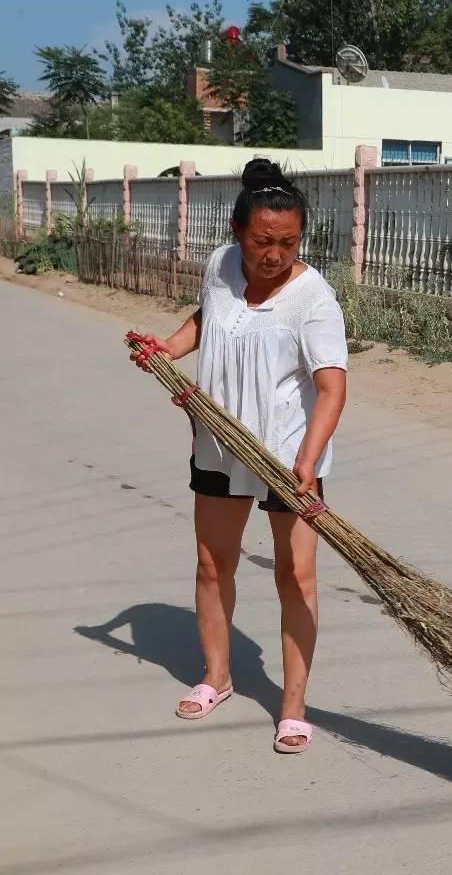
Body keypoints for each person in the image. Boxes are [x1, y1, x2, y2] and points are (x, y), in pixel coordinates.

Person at [130, 159, 349, 753]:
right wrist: (168, 348)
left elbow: (332, 388)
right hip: (219, 445)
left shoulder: (314, 299)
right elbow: (209, 318)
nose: (274, 253)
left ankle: (293, 705)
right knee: (211, 563)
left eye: (287, 242)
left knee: (295, 574)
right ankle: (216, 677)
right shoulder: (220, 267)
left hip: (286, 456)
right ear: (236, 234)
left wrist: (308, 461)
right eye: (261, 241)